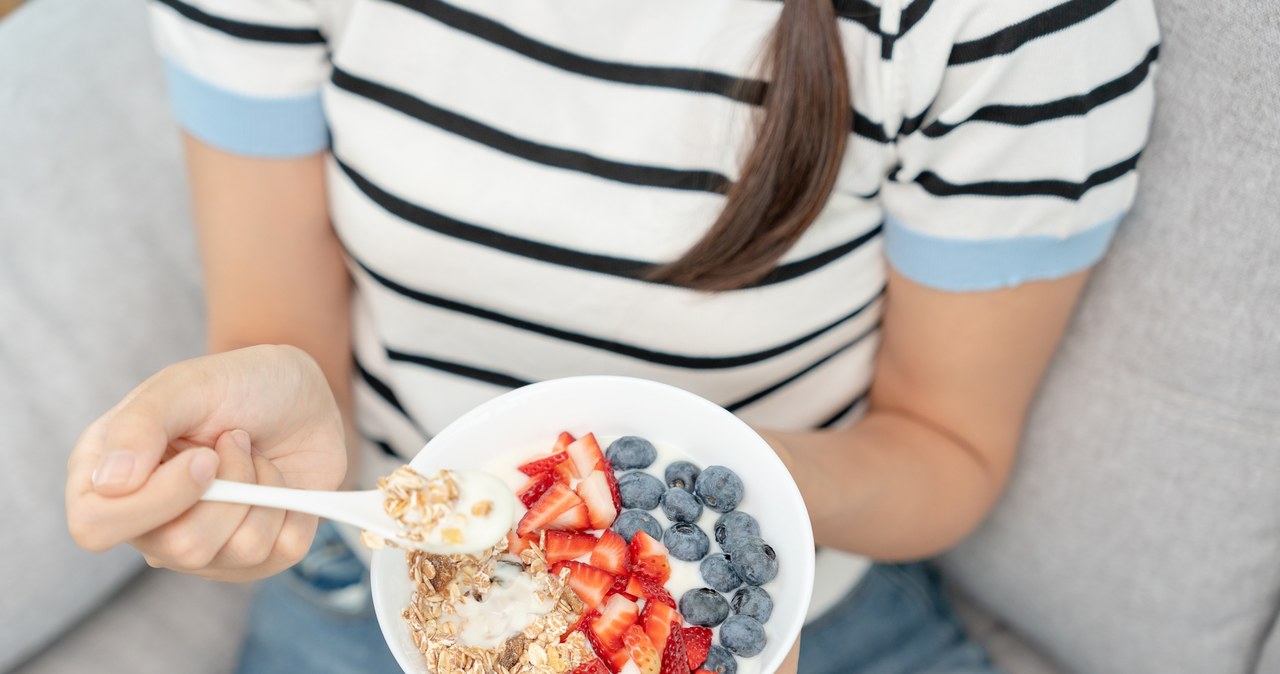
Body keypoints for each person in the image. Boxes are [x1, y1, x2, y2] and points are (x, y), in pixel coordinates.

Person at [65, 0, 1159, 671]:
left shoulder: (1020, 23)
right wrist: (263, 442)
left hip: (783, 616)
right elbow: (278, 321)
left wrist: (708, 513)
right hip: (378, 590)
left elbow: (945, 449)